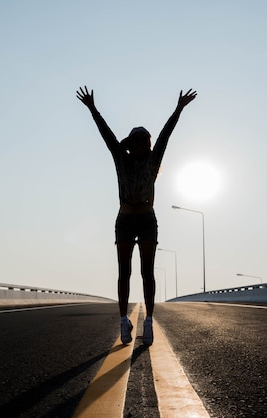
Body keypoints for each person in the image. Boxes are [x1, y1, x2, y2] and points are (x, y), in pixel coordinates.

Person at [77, 86, 197, 345]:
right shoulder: (121, 158)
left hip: (145, 220)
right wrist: (93, 109)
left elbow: (166, 134)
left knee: (146, 272)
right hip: (126, 220)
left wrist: (178, 109)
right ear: (130, 145)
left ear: (148, 144)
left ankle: (149, 322)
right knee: (125, 272)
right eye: (137, 141)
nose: (142, 144)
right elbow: (107, 135)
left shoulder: (153, 160)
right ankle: (124, 322)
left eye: (145, 140)